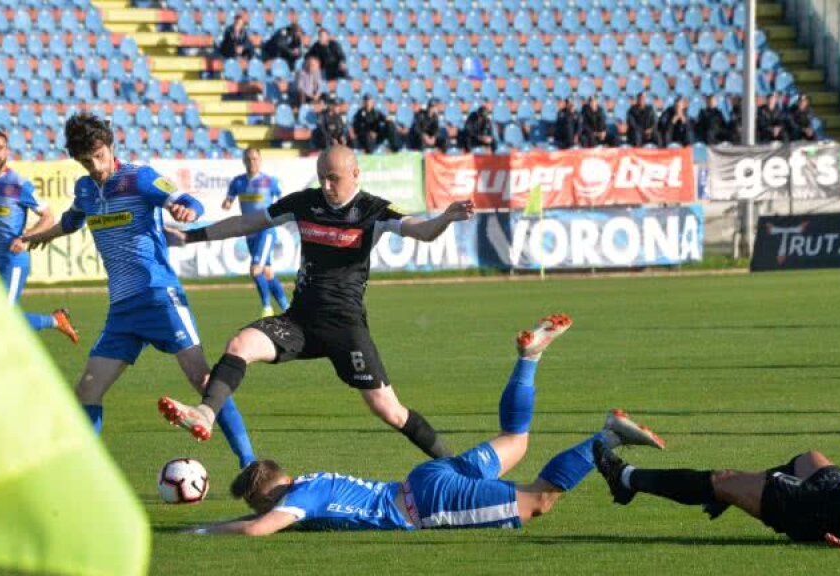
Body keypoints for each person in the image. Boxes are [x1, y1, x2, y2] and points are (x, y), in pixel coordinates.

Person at [181, 316, 665, 536]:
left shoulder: (297, 500)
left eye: (261, 504)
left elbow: (258, 531)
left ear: (271, 495)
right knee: (516, 440)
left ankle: (606, 436)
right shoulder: (309, 482)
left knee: (539, 500)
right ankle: (529, 360)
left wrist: (203, 531)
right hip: (428, 479)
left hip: (428, 505)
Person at [163, 145, 475, 458]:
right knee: (239, 344)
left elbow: (421, 230)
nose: (326, 186)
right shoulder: (305, 203)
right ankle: (205, 413)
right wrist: (191, 236)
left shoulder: (374, 210)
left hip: (345, 328)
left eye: (333, 178)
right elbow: (247, 223)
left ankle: (455, 467)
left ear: (355, 174)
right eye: (321, 177)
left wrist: (445, 218)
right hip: (299, 321)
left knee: (389, 410)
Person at [15, 114, 255, 467]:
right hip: (122, 309)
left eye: (99, 156)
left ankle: (249, 463)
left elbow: (189, 200)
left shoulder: (138, 178)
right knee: (88, 389)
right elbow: (70, 221)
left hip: (159, 296)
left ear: (111, 146)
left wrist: (186, 210)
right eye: (86, 161)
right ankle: (88, 470)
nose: (96, 167)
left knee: (202, 379)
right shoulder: (85, 190)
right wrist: (40, 237)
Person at [592, 395, 840, 550]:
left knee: (723, 480)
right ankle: (746, 493)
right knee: (810, 458)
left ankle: (627, 480)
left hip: (825, 513)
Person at [0, 129, 78, 342]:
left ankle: (54, 321)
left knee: (3, 318)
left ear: (7, 151)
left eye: (0, 148)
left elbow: (48, 217)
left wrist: (25, 238)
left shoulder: (18, 185)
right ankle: (57, 319)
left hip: (12, 260)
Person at [223, 148, 287, 317]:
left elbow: (283, 200)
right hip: (250, 233)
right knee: (268, 273)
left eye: (255, 158)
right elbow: (229, 200)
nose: (252, 162)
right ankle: (288, 308)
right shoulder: (238, 182)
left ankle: (267, 308)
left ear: (261, 160)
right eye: (249, 159)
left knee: (255, 269)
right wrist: (227, 204)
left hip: (266, 230)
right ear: (244, 161)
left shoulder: (269, 181)